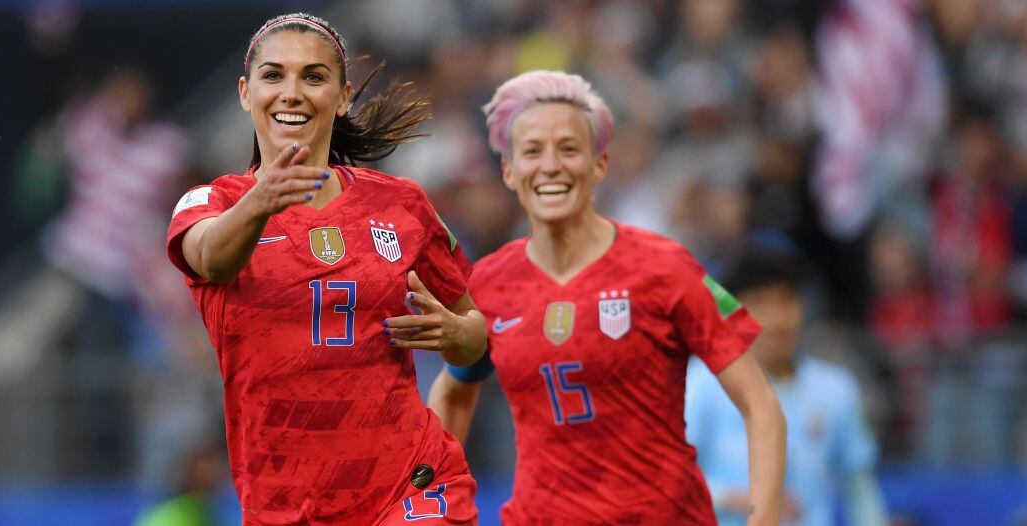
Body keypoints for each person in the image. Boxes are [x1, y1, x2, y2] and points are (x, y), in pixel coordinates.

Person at [165, 12, 487, 525]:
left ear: (341, 97)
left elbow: (477, 338)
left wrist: (453, 332)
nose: (291, 92)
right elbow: (212, 258)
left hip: (411, 483)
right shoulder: (211, 202)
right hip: (286, 503)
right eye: (274, 75)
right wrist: (259, 203)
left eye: (313, 76)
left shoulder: (401, 205)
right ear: (246, 93)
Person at [424, 70, 786, 525]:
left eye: (569, 148)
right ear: (509, 171)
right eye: (532, 150)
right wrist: (436, 504)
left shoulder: (666, 267)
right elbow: (454, 391)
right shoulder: (488, 285)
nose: (551, 165)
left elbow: (762, 405)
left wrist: (764, 517)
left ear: (599, 165)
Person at [685, 242, 889, 525]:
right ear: (730, 312)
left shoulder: (836, 389)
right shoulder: (700, 384)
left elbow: (859, 489)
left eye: (786, 300)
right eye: (759, 302)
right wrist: (740, 499)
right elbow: (668, 481)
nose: (777, 319)